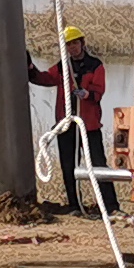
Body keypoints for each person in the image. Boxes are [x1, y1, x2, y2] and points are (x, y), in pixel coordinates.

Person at [27, 23, 110, 212]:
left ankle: (110, 205)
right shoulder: (63, 67)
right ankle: (75, 205)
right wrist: (30, 68)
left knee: (98, 165)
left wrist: (87, 94)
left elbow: (99, 91)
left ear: (82, 43)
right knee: (68, 166)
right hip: (66, 125)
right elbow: (44, 79)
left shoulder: (95, 65)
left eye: (74, 43)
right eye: (68, 44)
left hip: (89, 125)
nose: (72, 47)